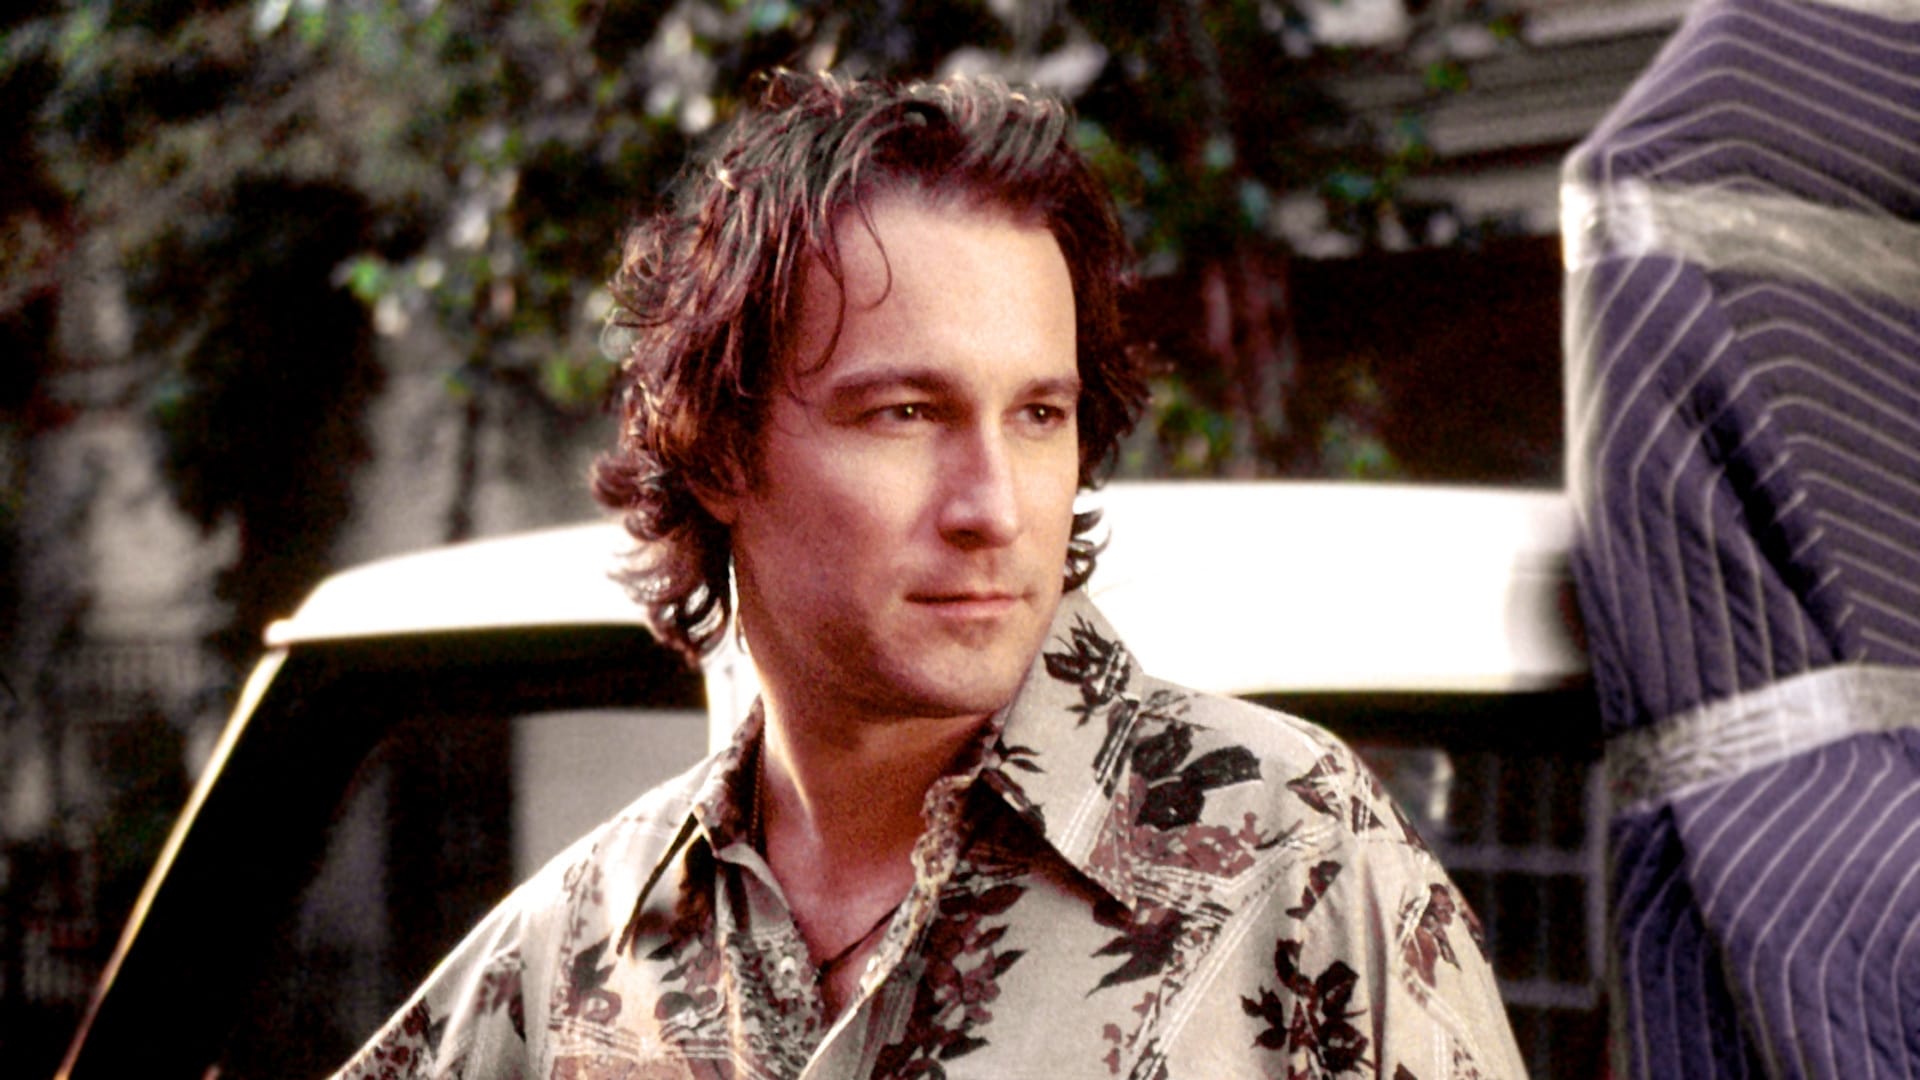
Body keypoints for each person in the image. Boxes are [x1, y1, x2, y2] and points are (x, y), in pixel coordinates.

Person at [331, 71, 1523, 1080]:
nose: (992, 508)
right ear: (720, 449)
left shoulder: (1296, 856)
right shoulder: (579, 954)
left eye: (1039, 415)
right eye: (906, 412)